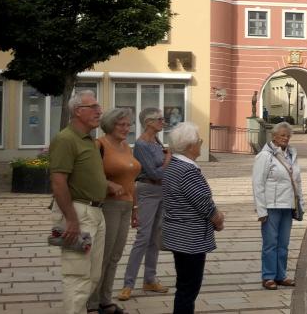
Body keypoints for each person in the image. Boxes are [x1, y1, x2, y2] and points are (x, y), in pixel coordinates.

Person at [49, 90, 108, 314]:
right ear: (77, 111)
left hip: (96, 212)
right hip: (79, 213)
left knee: (92, 274)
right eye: (92, 107)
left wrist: (106, 185)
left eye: (98, 106)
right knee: (77, 275)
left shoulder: (88, 140)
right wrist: (71, 220)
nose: (99, 111)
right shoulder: (65, 139)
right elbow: (58, 183)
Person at [163, 123, 224, 313]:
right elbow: (203, 202)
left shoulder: (173, 165)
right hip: (190, 238)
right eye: (199, 141)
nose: (200, 144)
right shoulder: (187, 171)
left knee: (183, 285)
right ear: (190, 146)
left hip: (178, 235)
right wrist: (218, 218)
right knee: (189, 288)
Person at [88, 108, 140, 314]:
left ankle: (105, 299)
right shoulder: (99, 145)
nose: (126, 129)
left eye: (128, 125)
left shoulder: (126, 146)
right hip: (108, 205)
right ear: (110, 124)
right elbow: (90, 175)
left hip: (126, 205)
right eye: (122, 125)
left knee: (116, 255)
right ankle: (92, 302)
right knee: (103, 255)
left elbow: (132, 180)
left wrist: (135, 207)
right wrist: (109, 184)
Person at [119, 108, 171, 301]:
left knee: (155, 238)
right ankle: (128, 283)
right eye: (159, 119)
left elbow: (160, 171)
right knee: (143, 237)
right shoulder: (141, 144)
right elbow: (154, 173)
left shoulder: (156, 142)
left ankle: (150, 278)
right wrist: (168, 158)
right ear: (149, 122)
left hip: (161, 191)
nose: (163, 122)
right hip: (148, 191)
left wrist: (165, 159)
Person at [253, 122, 303, 289]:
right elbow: (258, 184)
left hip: (287, 205)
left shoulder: (291, 154)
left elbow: (297, 181)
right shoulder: (265, 156)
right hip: (271, 206)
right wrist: (261, 210)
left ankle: (281, 275)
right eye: (282, 135)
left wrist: (299, 203)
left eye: (288, 136)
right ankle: (268, 276)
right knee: (270, 243)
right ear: (273, 136)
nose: (285, 138)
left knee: (283, 244)